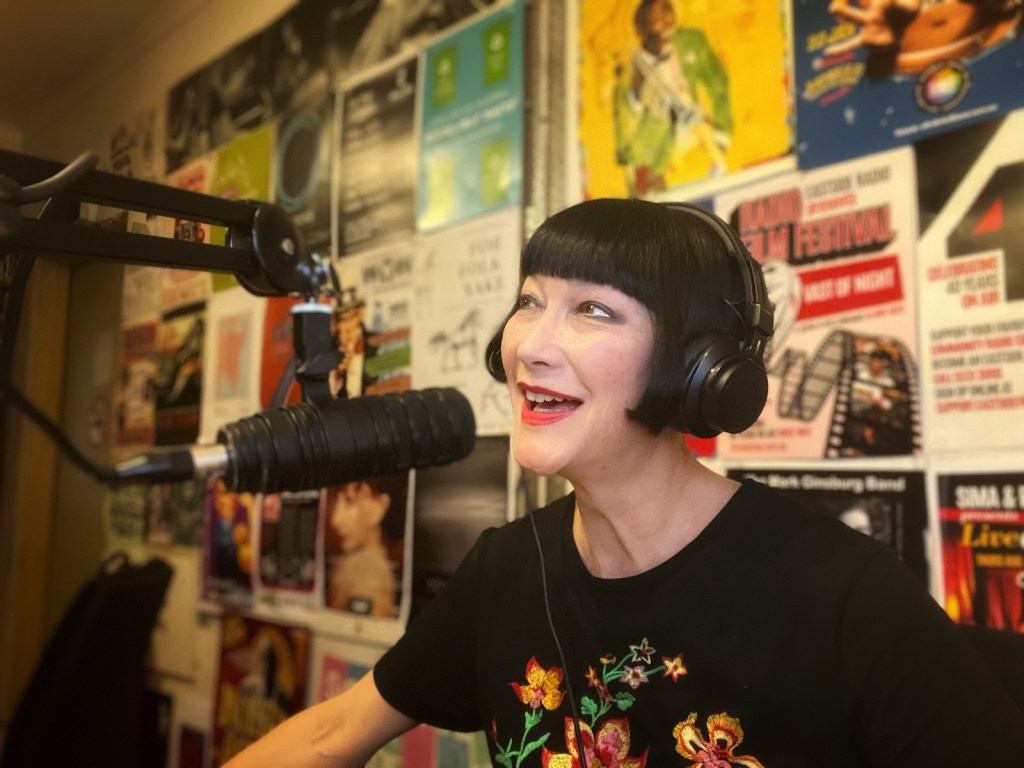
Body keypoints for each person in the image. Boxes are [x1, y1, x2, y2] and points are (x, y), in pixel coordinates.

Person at [225, 198, 1024, 766]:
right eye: (531, 302)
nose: (531, 345)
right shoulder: (505, 571)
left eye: (594, 311)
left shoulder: (843, 596)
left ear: (698, 372)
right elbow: (331, 738)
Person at [614, 0, 732, 197]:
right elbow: (626, 135)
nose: (666, 31)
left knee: (694, 115)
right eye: (657, 22)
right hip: (658, 145)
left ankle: (716, 161)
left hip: (689, 125)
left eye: (669, 23)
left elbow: (715, 82)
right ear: (641, 30)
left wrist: (718, 131)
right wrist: (637, 93)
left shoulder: (683, 45)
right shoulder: (633, 70)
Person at [325, 479, 400, 618]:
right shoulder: (352, 560)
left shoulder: (368, 575)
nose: (335, 519)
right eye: (335, 501)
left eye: (349, 501)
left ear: (378, 508)